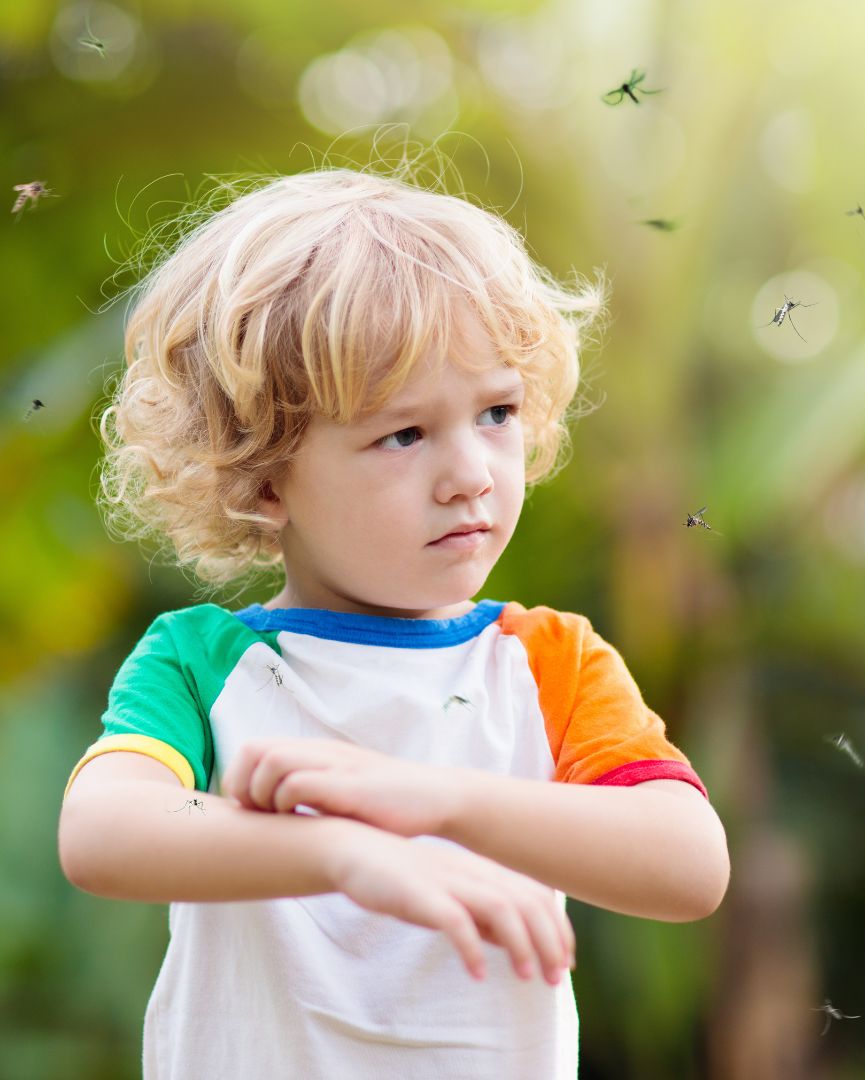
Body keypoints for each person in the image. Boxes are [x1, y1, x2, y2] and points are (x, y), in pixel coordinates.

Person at [57, 167, 730, 1079]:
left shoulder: (546, 662)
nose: (472, 473)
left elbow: (688, 864)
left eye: (497, 412)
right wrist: (339, 851)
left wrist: (440, 802)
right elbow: (105, 833)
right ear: (261, 478)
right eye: (403, 434)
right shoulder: (203, 664)